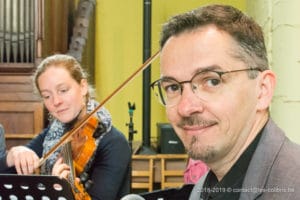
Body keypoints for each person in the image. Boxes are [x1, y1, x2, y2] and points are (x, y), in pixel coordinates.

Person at [150, 4, 300, 200]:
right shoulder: (203, 189)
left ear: (262, 90)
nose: (186, 107)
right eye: (173, 87)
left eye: (212, 81)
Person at [0, 54, 131, 200]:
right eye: (47, 96)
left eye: (63, 90)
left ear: (83, 87)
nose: (56, 101)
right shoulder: (53, 134)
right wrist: (11, 156)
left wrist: (58, 192)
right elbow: (7, 175)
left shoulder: (114, 144)